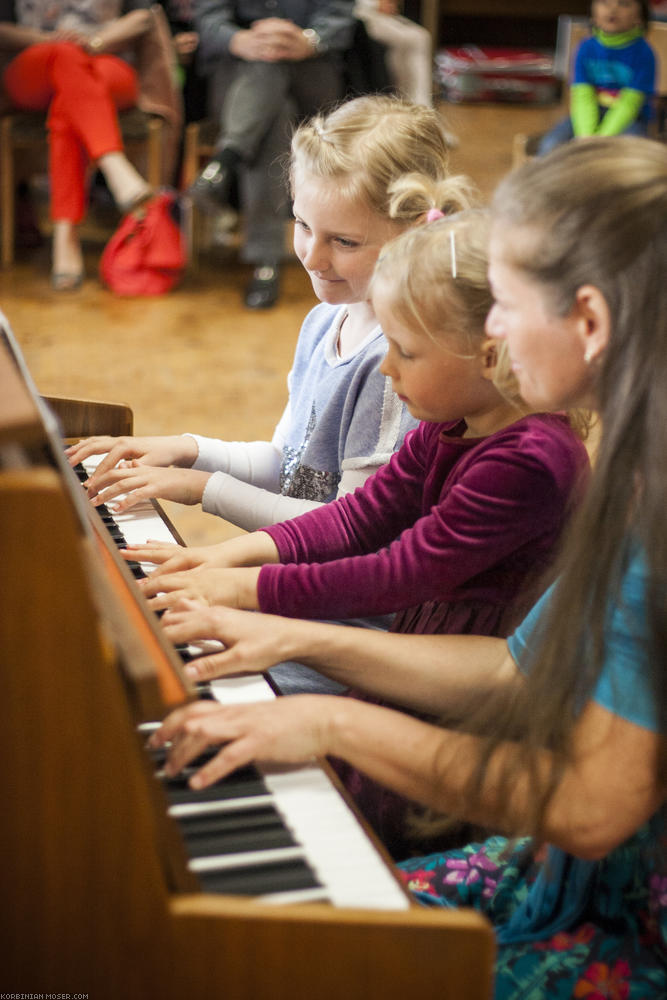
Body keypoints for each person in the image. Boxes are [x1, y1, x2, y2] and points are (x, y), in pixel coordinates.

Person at [148, 135, 667, 996]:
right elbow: (514, 671)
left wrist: (333, 724)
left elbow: (588, 806)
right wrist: (273, 635)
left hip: (626, 916)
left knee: (258, 962)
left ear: (589, 322)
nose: (490, 330)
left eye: (501, 303)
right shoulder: (633, 462)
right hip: (571, 874)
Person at [132, 206, 591, 856]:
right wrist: (221, 564)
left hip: (467, 704)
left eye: (404, 351)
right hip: (419, 655)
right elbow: (357, 518)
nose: (385, 369)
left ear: (490, 357)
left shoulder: (529, 461)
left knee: (354, 831)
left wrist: (247, 592)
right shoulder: (450, 422)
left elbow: (397, 573)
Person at [67, 96, 461, 534]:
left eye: (344, 242)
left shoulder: (394, 363)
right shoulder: (324, 322)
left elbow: (348, 531)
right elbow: (289, 466)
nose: (312, 258)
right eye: (303, 225)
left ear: (414, 232)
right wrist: (185, 450)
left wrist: (201, 488)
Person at [185, 0, 357, 309]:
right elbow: (209, 20)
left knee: (271, 74)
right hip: (240, 77)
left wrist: (309, 39)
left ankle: (226, 160)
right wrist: (240, 40)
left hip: (311, 74)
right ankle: (267, 261)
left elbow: (340, 19)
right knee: (275, 116)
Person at [0, 0, 163, 290]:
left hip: (105, 60)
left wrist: (96, 41)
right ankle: (113, 163)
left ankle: (65, 235)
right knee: (65, 56)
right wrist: (49, 41)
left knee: (70, 100)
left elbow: (144, 16)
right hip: (35, 63)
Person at [538, 0, 656, 155]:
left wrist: (601, 140)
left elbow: (630, 103)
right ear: (592, 15)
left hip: (630, 118)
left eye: (624, 4)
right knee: (550, 146)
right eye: (605, 3)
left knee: (629, 155)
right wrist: (585, 136)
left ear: (640, 18)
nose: (613, 9)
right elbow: (582, 96)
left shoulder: (644, 53)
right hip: (589, 113)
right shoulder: (586, 48)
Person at [354, 0, 433, 107]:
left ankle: (417, 100)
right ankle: (411, 100)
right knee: (415, 39)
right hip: (358, 13)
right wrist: (374, 4)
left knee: (422, 36)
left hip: (378, 12)